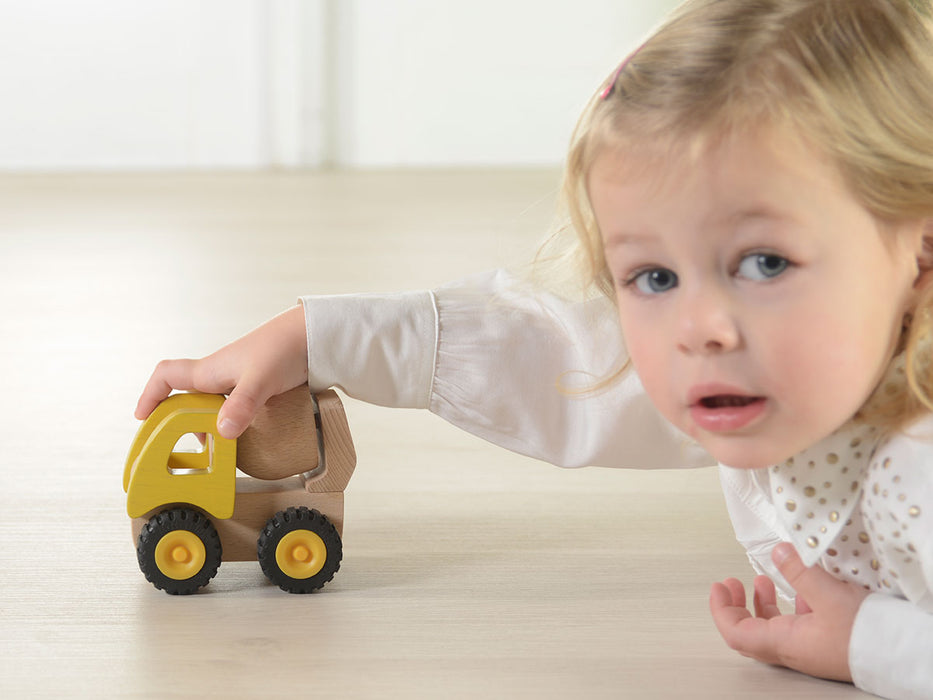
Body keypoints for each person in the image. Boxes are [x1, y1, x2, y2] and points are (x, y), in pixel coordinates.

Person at [135, 1, 933, 697]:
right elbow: (567, 355)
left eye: (763, 263)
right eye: (653, 275)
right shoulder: (778, 361)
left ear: (920, 251)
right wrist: (316, 337)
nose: (698, 328)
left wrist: (867, 643)